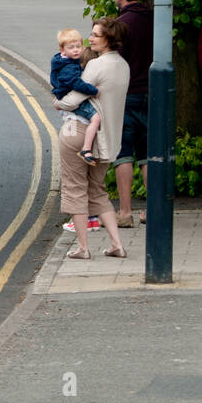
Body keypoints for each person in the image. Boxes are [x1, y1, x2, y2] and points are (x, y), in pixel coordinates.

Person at [55, 19, 130, 260]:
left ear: (109, 38)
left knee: (75, 190)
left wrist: (57, 102)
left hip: (78, 132)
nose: (91, 39)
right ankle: (117, 244)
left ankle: (83, 248)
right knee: (98, 192)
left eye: (96, 35)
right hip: (107, 139)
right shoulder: (124, 66)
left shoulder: (96, 66)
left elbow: (72, 99)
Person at [110, 0, 153, 227]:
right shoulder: (153, 20)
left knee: (124, 153)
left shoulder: (120, 25)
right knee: (148, 154)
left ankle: (125, 213)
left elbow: (114, 62)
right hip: (151, 95)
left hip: (126, 96)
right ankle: (152, 210)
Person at [51, 28, 102, 164]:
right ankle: (86, 148)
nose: (76, 50)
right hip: (69, 98)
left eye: (78, 46)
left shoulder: (63, 61)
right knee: (96, 118)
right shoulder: (69, 67)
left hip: (63, 96)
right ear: (62, 50)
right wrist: (93, 90)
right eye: (71, 47)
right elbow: (77, 84)